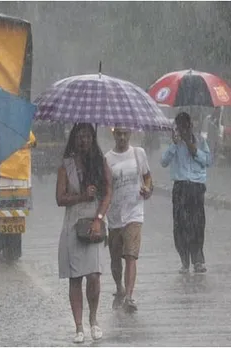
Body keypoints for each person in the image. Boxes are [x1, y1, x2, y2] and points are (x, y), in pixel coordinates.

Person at [56, 123, 112, 344]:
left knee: (94, 276)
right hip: (73, 225)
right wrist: (81, 196)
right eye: (80, 137)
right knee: (75, 277)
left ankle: (93, 319)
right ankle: (78, 326)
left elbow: (108, 193)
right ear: (74, 139)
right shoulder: (66, 166)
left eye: (88, 136)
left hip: (94, 223)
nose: (84, 141)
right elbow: (60, 198)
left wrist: (99, 219)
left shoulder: (100, 162)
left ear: (93, 139)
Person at [105, 127, 152, 312]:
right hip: (115, 215)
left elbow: (148, 178)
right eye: (119, 134)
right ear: (114, 134)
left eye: (125, 133)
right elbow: (106, 187)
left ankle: (130, 297)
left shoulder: (139, 154)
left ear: (130, 134)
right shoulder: (107, 159)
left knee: (131, 255)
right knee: (116, 258)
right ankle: (119, 288)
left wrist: (147, 189)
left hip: (134, 211)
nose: (122, 137)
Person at [161, 112, 211, 274]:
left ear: (190, 126)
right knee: (180, 225)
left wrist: (193, 149)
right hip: (180, 187)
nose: (183, 130)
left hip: (196, 188)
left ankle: (198, 260)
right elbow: (163, 162)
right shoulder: (175, 145)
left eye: (185, 126)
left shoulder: (201, 141)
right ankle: (184, 260)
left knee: (197, 224)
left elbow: (207, 161)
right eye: (179, 127)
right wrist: (175, 145)